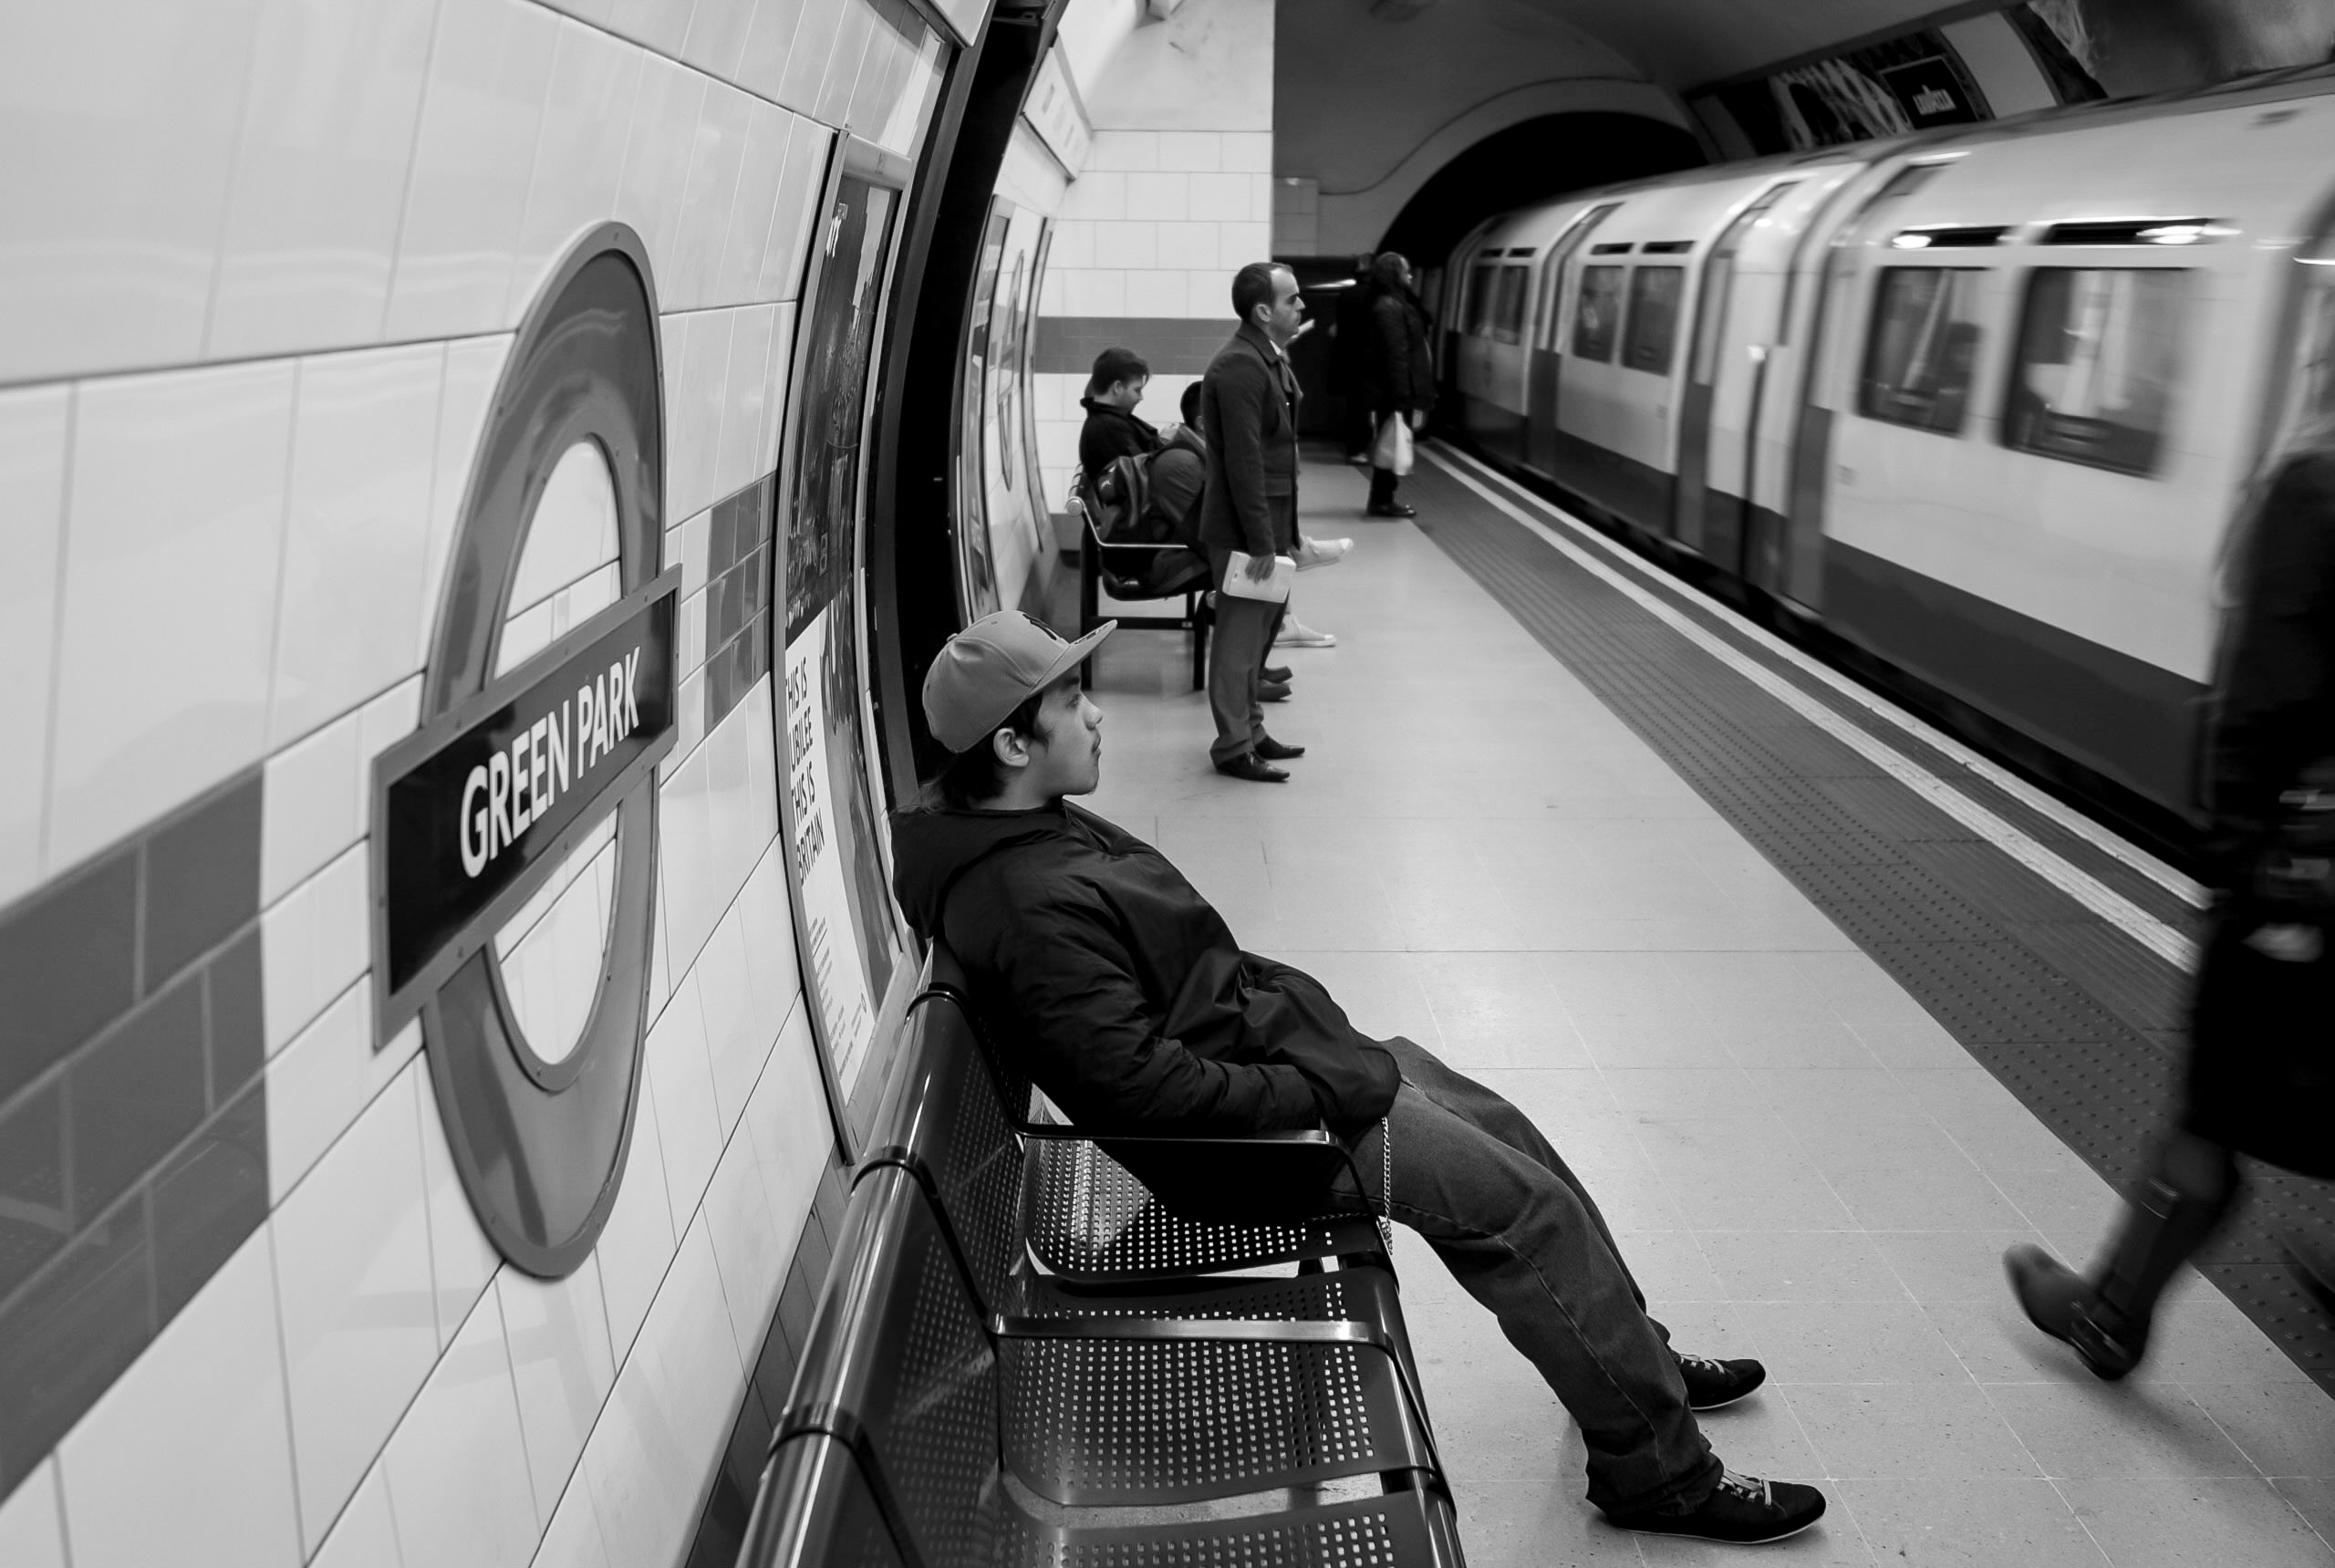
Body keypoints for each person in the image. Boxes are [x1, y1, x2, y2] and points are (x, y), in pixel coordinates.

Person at [890, 610, 1830, 1546]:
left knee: (1502, 1124)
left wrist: (1312, 1056)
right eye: (1070, 701)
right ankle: (1658, 1476)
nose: (1096, 715)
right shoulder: (1029, 904)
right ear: (1013, 741)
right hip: (1255, 1148)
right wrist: (1324, 1093)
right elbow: (1142, 1092)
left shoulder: (1020, 831)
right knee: (1522, 1213)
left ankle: (1641, 1362)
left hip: (1273, 1067)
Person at [2008, 417, 2335, 1375]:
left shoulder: (2317, 487)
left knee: (2212, 1108)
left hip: (2306, 879)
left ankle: (2110, 1315)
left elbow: (2268, 699)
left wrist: (2237, 869)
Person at [1199, 263, 1311, 781]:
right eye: (1292, 300)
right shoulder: (1241, 366)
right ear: (1264, 311)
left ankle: (1254, 731)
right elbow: (1245, 464)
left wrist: (1286, 534)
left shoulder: (1265, 358)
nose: (1301, 307)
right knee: (1238, 643)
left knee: (1258, 639)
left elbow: (1274, 456)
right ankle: (1232, 746)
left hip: (1267, 526)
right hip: (1246, 533)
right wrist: (1265, 542)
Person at [1355, 251, 1435, 519]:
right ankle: (1381, 500)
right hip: (1392, 392)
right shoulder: (1388, 307)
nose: (1410, 276)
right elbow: (1395, 355)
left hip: (1393, 390)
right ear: (1394, 275)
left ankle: (1383, 499)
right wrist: (1403, 397)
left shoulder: (1391, 303)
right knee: (1390, 446)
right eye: (1406, 271)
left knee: (1390, 445)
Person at [1078, 347, 1159, 478]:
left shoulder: (1107, 423)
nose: (1140, 398)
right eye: (1137, 390)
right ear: (1117, 387)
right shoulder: (1108, 429)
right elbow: (1141, 479)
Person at [1332, 254, 1378, 464]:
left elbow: (1339, 329)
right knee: (1366, 406)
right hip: (1371, 359)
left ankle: (1355, 448)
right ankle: (1364, 447)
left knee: (1355, 405)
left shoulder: (1346, 295)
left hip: (1349, 357)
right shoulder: (1379, 297)